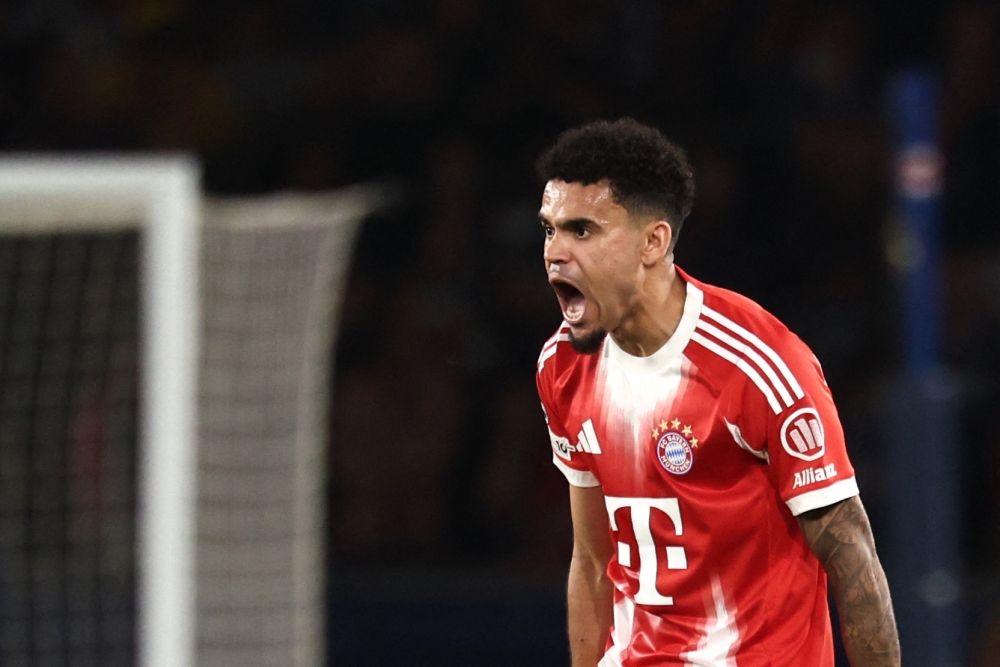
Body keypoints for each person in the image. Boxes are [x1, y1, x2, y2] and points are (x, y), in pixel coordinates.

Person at [534, 118, 900, 667]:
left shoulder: (761, 365)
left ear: (653, 242)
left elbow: (852, 556)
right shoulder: (561, 366)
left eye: (582, 230)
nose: (555, 253)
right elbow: (591, 560)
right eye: (549, 229)